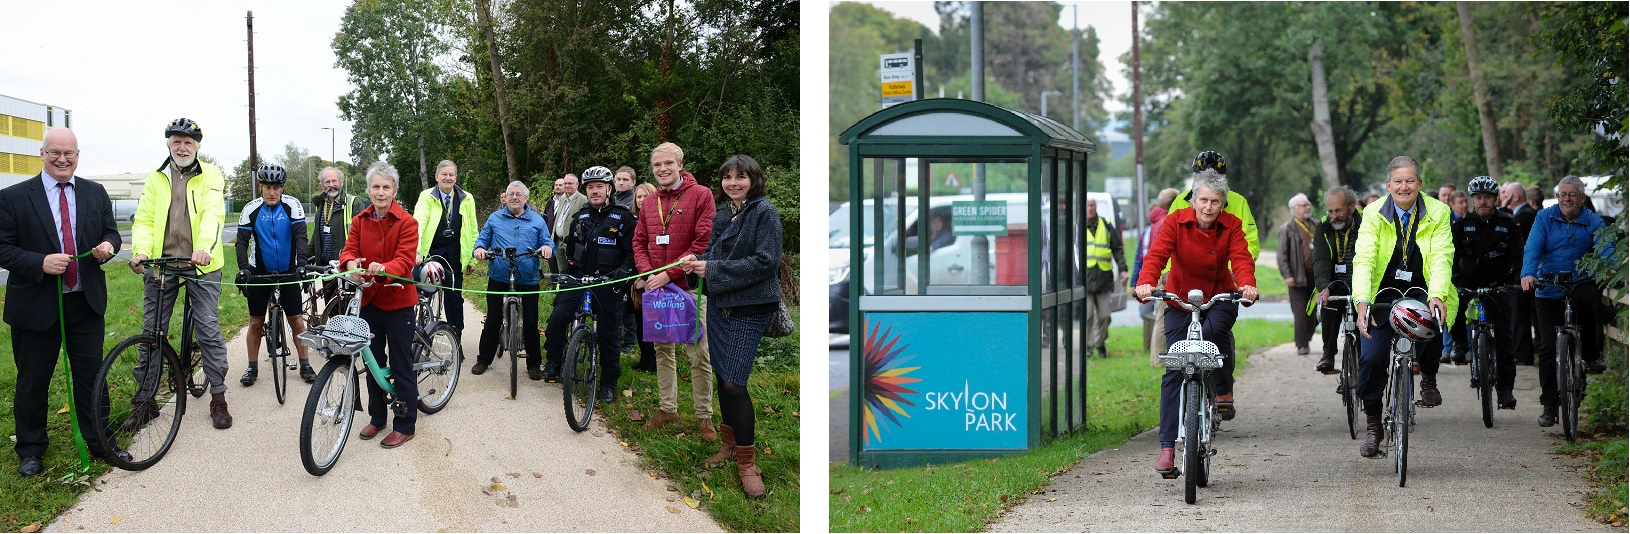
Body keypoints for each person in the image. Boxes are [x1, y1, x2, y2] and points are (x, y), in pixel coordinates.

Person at [0, 128, 126, 476]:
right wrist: (38, 262)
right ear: (42, 154)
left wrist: (108, 247)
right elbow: (3, 248)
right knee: (32, 381)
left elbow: (110, 232)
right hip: (35, 306)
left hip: (85, 304)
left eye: (68, 153)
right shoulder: (13, 197)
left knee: (92, 377)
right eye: (54, 152)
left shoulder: (94, 192)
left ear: (77, 155)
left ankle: (101, 441)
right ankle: (31, 449)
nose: (61, 159)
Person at [1133, 169, 1258, 476]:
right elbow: (1157, 255)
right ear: (1193, 200)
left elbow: (1241, 259)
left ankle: (1215, 389)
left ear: (1222, 203)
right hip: (1180, 299)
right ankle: (1166, 447)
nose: (1208, 207)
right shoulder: (1176, 222)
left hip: (1219, 298)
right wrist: (1146, 283)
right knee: (1176, 363)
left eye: (1215, 201)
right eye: (1203, 200)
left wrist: (1247, 285)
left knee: (1213, 335)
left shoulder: (1232, 225)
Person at [678, 154, 782, 499]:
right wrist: (696, 261)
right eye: (727, 177)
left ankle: (748, 463)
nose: (733, 183)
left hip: (749, 307)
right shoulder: (724, 212)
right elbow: (712, 251)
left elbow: (766, 262)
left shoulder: (765, 212)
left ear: (754, 179)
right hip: (721, 304)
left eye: (740, 177)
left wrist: (715, 270)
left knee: (735, 383)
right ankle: (729, 446)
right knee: (724, 377)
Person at [129, 118, 233, 429]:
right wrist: (141, 251)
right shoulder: (156, 177)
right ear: (168, 145)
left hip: (201, 263)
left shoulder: (210, 175)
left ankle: (218, 397)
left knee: (208, 328)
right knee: (152, 333)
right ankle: (145, 401)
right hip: (163, 262)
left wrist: (204, 248)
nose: (182, 147)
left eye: (188, 142)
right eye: (177, 141)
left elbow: (214, 213)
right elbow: (145, 219)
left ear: (197, 146)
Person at [1352, 156, 1456, 458]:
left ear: (1420, 184)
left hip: (1423, 289)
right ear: (1388, 185)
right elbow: (1364, 259)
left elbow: (1441, 256)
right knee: (1371, 360)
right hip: (1381, 294)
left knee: (1432, 326)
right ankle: (1373, 424)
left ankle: (1429, 377)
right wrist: (1362, 301)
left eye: (1410, 180)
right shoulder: (1372, 213)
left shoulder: (1439, 212)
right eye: (1398, 181)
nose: (1404, 186)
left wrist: (1437, 294)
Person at [633, 142, 719, 440]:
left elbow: (703, 242)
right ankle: (668, 407)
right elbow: (639, 242)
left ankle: (704, 416)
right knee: (662, 350)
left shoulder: (701, 195)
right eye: (657, 165)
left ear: (680, 164)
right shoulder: (648, 202)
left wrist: (668, 274)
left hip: (691, 288)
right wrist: (650, 273)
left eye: (668, 163)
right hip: (658, 289)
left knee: (699, 353)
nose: (663, 169)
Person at [341, 162, 422, 448]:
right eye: (376, 186)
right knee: (372, 361)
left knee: (401, 363)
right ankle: (377, 418)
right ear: (368, 190)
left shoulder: (407, 223)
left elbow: (405, 259)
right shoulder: (360, 220)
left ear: (394, 191)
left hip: (398, 303)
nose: (380, 192)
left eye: (386, 187)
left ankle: (405, 423)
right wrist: (350, 262)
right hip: (369, 301)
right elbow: (350, 248)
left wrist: (384, 267)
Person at [1522, 175, 1611, 427]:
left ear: (1582, 198)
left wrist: (1608, 267)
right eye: (1563, 194)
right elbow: (1533, 248)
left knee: (1589, 304)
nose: (1567, 199)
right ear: (1557, 196)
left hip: (1580, 282)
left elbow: (1606, 248)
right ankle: (1549, 405)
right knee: (1548, 346)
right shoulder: (1544, 217)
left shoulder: (1593, 221)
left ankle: (1592, 355)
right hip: (1548, 286)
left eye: (1573, 194)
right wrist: (1528, 272)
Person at [542, 166, 636, 402]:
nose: (594, 192)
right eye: (590, 187)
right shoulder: (580, 216)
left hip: (608, 282)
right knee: (556, 320)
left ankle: (608, 383)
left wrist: (622, 274)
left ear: (609, 189)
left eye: (599, 187)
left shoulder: (624, 217)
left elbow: (632, 254)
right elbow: (571, 251)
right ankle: (554, 362)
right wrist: (569, 273)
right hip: (579, 278)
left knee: (609, 335)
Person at [235, 164, 314, 386]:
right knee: (255, 322)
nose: (273, 192)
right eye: (268, 187)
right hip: (259, 270)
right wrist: (243, 268)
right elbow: (241, 242)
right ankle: (252, 367)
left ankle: (306, 364)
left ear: (282, 188)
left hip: (288, 269)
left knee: (297, 319)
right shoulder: (251, 209)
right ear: (261, 187)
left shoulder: (292, 206)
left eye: (277, 187)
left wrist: (301, 265)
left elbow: (300, 237)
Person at [1452, 176, 1523, 409]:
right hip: (1467, 281)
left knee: (1504, 337)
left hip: (1498, 283)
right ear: (1473, 200)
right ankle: (1459, 346)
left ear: (1495, 200)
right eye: (1479, 197)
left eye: (1488, 198)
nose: (1483, 201)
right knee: (1454, 307)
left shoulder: (1508, 223)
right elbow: (1451, 258)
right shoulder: (1461, 225)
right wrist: (1453, 282)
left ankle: (1505, 391)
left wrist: (1514, 281)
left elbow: (1517, 256)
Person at [471, 181, 554, 378]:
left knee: (531, 322)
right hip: (499, 275)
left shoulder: (536, 220)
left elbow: (548, 241)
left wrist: (547, 248)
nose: (514, 197)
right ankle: (483, 359)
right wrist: (480, 249)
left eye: (519, 194)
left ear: (526, 198)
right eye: (511, 194)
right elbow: (482, 240)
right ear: (505, 197)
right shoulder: (494, 218)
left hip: (528, 277)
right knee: (492, 319)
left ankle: (534, 364)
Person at [412, 160, 477, 335]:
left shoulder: (466, 198)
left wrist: (471, 259)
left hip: (455, 254)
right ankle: (418, 329)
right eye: (444, 174)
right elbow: (418, 222)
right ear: (437, 177)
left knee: (454, 297)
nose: (448, 178)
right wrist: (416, 251)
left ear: (456, 177)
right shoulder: (427, 196)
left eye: (451, 175)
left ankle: (456, 335)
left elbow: (472, 228)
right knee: (422, 292)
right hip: (431, 251)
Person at [1167, 151, 1260, 260]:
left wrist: (1234, 270)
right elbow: (1168, 240)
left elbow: (1249, 240)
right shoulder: (1180, 201)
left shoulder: (1239, 202)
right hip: (1188, 271)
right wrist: (1168, 270)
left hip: (1226, 270)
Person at [1312, 186, 1362, 374]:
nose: (1334, 216)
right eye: (1330, 211)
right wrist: (1324, 288)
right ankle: (1328, 354)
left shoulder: (1365, 224)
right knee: (1329, 306)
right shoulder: (1323, 228)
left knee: (1361, 325)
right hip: (1334, 283)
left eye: (1339, 210)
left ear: (1351, 207)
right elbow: (1321, 260)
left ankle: (1360, 364)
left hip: (1360, 283)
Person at [1133, 188, 1180, 352]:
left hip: (1155, 273)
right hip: (1164, 274)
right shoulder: (1167, 221)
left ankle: (1157, 355)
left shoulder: (1155, 222)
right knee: (1163, 318)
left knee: (1160, 316)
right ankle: (1158, 358)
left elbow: (1142, 253)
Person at [1083, 197, 1129, 359]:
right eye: (1087, 205)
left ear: (1096, 207)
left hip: (1103, 277)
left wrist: (1123, 270)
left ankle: (1100, 344)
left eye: (1092, 205)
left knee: (1104, 315)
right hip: (1084, 279)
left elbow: (1117, 248)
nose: (1090, 208)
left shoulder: (1106, 224)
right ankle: (1087, 347)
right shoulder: (1076, 227)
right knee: (1087, 315)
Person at [1278, 193, 1318, 356]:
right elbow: (1282, 255)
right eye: (1304, 205)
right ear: (1294, 209)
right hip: (1297, 277)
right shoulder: (1287, 228)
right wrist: (1287, 275)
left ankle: (1306, 336)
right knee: (1301, 313)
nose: (1308, 207)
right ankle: (1302, 344)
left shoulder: (1316, 224)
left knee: (1317, 311)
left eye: (1308, 204)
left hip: (1316, 277)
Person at [629, 182, 660, 372]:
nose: (641, 200)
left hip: (655, 276)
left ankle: (655, 361)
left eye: (645, 196)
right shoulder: (631, 220)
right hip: (636, 276)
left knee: (653, 320)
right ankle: (644, 359)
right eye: (638, 197)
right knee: (639, 319)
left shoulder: (658, 221)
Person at [309, 166, 367, 266]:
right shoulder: (320, 205)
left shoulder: (354, 203)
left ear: (341, 182)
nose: (331, 185)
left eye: (334, 181)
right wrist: (304, 259)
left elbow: (362, 238)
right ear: (322, 185)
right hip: (325, 267)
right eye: (327, 182)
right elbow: (316, 237)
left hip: (345, 266)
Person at [542, 173, 587, 275]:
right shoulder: (562, 199)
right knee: (561, 271)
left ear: (577, 184)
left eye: (570, 183)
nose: (567, 186)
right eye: (565, 183)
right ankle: (561, 290)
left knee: (572, 271)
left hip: (571, 242)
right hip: (558, 241)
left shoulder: (583, 200)